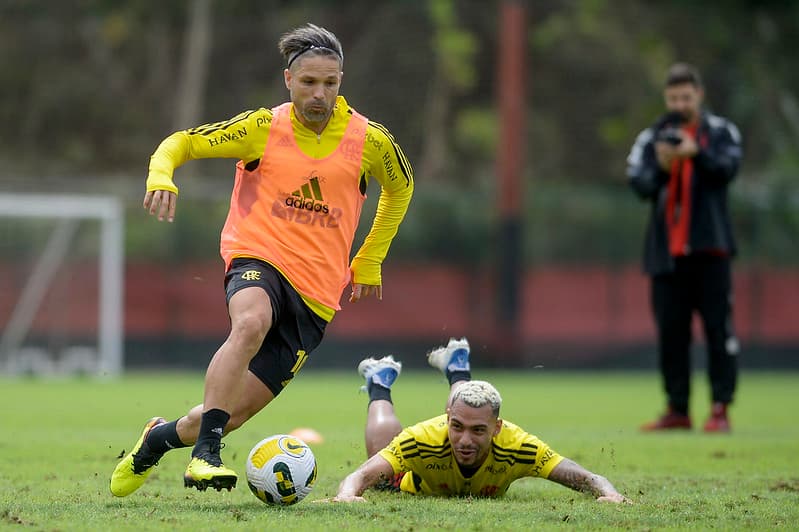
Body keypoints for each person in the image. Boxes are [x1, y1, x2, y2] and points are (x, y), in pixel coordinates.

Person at [110, 23, 414, 496]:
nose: (319, 94)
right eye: (309, 83)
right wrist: (161, 177)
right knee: (250, 321)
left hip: (316, 294)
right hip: (257, 254)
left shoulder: (370, 140)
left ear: (341, 82)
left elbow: (401, 188)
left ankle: (157, 440)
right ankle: (205, 456)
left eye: (330, 83)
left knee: (231, 413)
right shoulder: (261, 127)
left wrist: (371, 257)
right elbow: (182, 142)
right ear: (288, 79)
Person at [331, 338, 630, 503]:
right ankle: (379, 382)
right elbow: (359, 477)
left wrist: (610, 494)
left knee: (469, 407)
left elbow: (585, 477)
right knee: (384, 469)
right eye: (457, 426)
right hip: (410, 485)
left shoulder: (520, 445)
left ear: (497, 428)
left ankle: (457, 369)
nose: (464, 441)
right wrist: (346, 495)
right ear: (446, 419)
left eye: (478, 430)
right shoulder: (423, 439)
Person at [626, 62, 742, 433]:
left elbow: (728, 169)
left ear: (699, 95)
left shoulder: (720, 132)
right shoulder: (652, 137)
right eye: (674, 97)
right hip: (666, 255)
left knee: (718, 332)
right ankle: (677, 409)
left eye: (686, 97)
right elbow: (639, 184)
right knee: (671, 334)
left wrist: (696, 154)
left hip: (711, 252)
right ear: (666, 97)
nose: (680, 103)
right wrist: (662, 166)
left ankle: (720, 408)